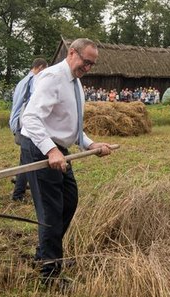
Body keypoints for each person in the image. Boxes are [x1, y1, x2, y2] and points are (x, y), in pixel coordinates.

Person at [19, 38, 113, 284]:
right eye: (86, 62)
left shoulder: (75, 82)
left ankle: (46, 254)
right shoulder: (53, 78)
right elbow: (30, 118)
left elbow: (70, 125)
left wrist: (91, 144)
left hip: (58, 148)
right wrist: (51, 150)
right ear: (72, 53)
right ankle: (49, 273)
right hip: (40, 147)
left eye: (92, 64)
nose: (88, 68)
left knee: (69, 201)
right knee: (50, 210)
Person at [8, 57, 48, 202]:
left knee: (25, 157)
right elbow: (34, 104)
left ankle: (20, 181)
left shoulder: (22, 81)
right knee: (28, 159)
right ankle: (18, 194)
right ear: (40, 67)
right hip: (25, 124)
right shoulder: (33, 82)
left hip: (18, 122)